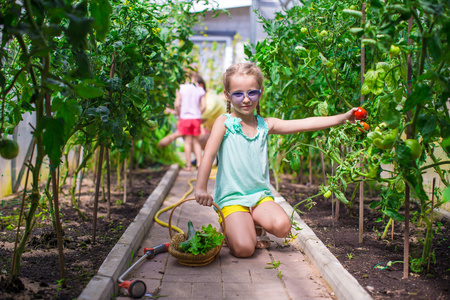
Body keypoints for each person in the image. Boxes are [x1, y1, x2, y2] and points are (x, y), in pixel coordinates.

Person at [194, 62, 358, 258]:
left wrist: (343, 118)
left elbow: (305, 123)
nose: (246, 99)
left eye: (252, 93)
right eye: (238, 94)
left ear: (261, 92)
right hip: (232, 198)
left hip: (259, 197)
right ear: (227, 95)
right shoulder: (224, 123)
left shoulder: (265, 125)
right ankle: (230, 227)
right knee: (245, 249)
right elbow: (208, 155)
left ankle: (252, 223)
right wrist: (200, 187)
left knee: (283, 227)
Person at [174, 70, 207, 171]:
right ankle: (199, 163)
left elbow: (176, 104)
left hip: (185, 118)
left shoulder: (181, 88)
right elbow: (204, 106)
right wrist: (198, 113)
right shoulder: (199, 88)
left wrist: (180, 114)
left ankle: (188, 165)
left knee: (187, 142)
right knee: (196, 142)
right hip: (196, 118)